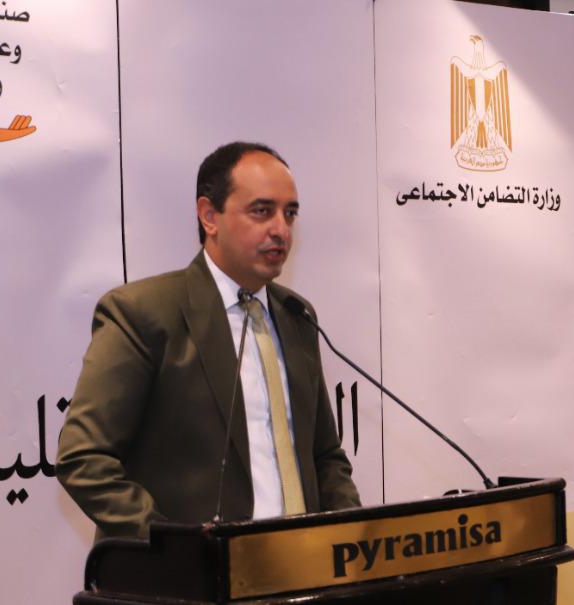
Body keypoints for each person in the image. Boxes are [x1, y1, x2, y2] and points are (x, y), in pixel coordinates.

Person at [56, 141, 360, 539]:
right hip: (193, 572)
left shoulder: (297, 316)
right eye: (262, 211)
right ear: (209, 216)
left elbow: (325, 456)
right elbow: (83, 458)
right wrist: (176, 547)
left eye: (290, 214)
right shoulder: (144, 313)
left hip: (299, 564)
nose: (281, 230)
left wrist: (351, 538)